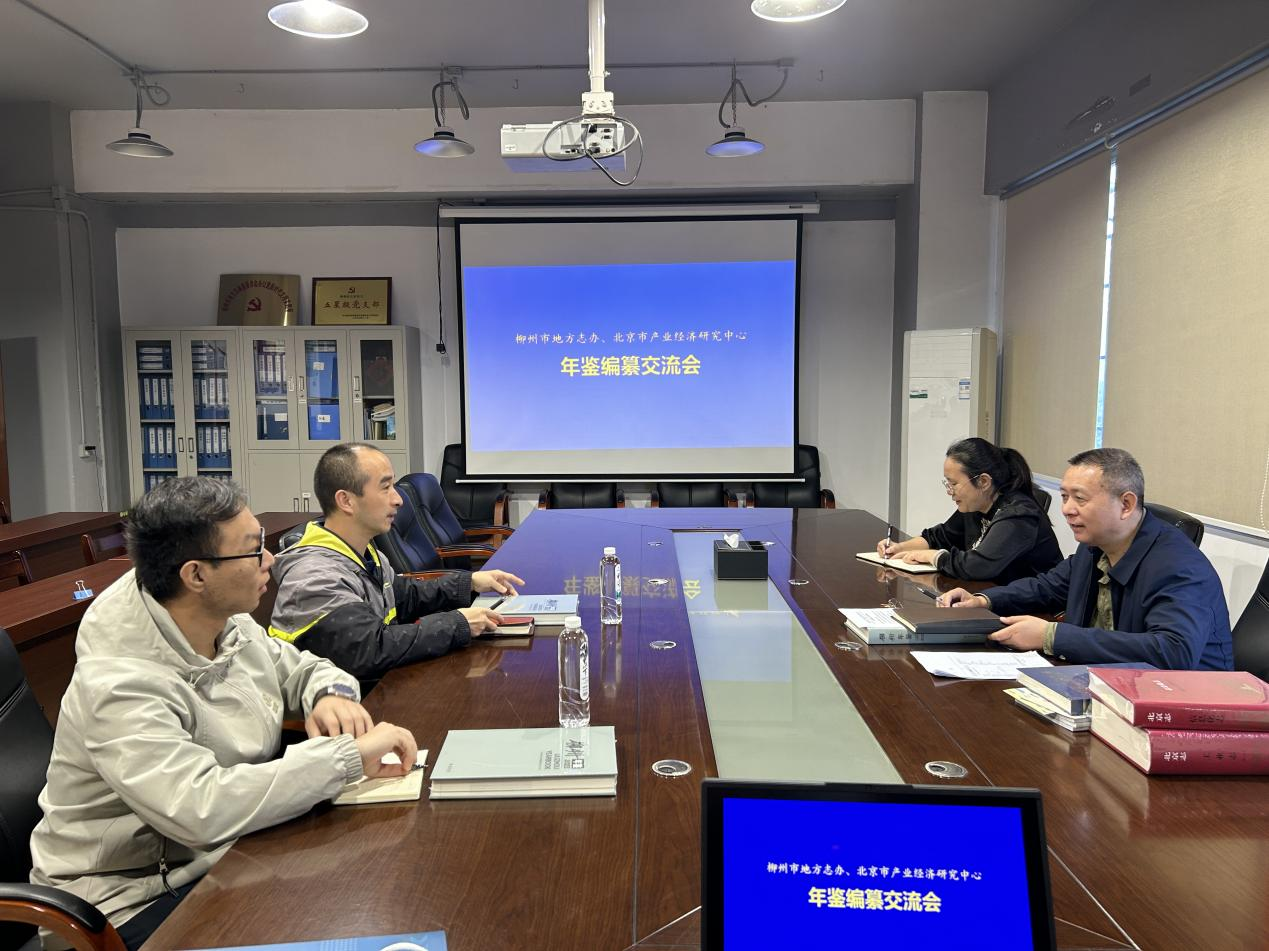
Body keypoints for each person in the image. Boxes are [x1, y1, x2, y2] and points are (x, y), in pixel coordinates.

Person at [28, 477, 417, 951]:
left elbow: (298, 668)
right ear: (196, 575)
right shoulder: (118, 682)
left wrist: (329, 694)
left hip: (222, 853)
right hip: (129, 901)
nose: (269, 559)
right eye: (253, 550)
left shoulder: (220, 618)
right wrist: (344, 759)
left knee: (365, 883)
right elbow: (200, 808)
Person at [939, 448, 1233, 670]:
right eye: (1064, 497)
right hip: (1106, 686)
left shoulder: (1179, 565)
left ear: (1126, 504)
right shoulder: (1095, 547)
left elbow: (1174, 651)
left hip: (1183, 709)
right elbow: (1048, 586)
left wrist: (1052, 636)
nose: (1067, 509)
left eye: (1079, 498)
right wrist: (984, 600)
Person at [269, 442, 525, 682]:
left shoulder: (364, 552)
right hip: (351, 702)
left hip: (380, 686)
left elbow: (405, 596)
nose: (398, 499)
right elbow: (371, 649)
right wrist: (457, 623)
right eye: (385, 487)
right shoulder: (314, 576)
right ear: (346, 501)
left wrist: (470, 583)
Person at [876, 437, 1062, 584]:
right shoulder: (976, 504)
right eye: (947, 484)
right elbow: (939, 537)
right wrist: (899, 548)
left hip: (1035, 611)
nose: (949, 491)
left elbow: (978, 566)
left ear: (983, 482)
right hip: (991, 596)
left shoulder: (1018, 515)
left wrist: (934, 556)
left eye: (954, 484)